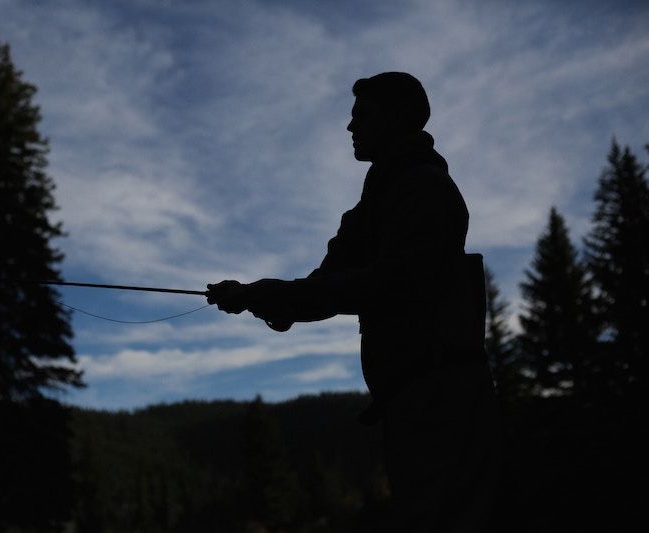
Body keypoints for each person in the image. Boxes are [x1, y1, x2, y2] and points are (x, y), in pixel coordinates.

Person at [206, 72, 501, 532]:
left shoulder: (426, 189)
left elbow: (393, 282)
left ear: (400, 117)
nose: (349, 128)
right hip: (409, 404)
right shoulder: (367, 210)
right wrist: (257, 299)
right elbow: (326, 285)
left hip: (446, 400)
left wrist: (271, 295)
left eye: (362, 115)